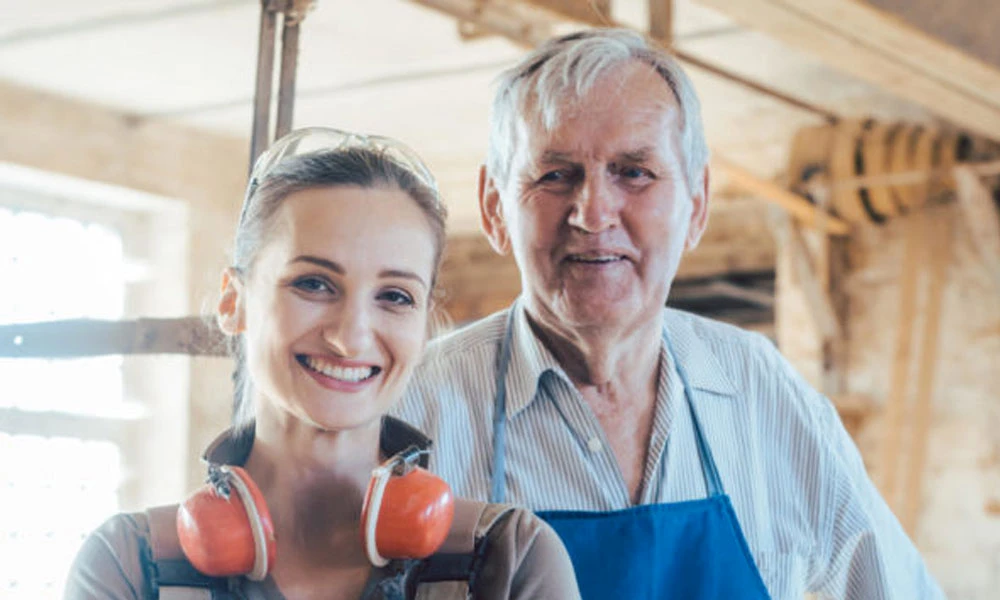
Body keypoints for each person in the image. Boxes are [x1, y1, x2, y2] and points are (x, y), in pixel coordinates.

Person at [392, 29, 945, 599]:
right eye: (555, 175)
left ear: (697, 204)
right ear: (494, 208)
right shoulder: (412, 417)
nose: (594, 212)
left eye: (634, 172)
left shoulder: (762, 393)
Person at [64, 128, 580, 600]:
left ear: (424, 325)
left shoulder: (509, 559)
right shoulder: (131, 566)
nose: (350, 336)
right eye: (313, 283)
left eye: (395, 296)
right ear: (233, 301)